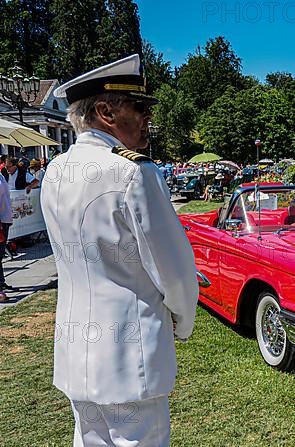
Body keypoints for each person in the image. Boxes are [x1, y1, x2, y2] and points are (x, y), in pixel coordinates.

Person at [41, 54, 199, 446]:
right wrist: (184, 319)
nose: (148, 118)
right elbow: (175, 272)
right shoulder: (133, 171)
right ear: (105, 112)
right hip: (131, 357)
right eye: (140, 107)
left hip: (77, 352)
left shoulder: (56, 169)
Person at [0, 172, 16, 294]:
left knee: (0, 254)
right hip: (1, 220)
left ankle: (1, 283)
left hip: (5, 219)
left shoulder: (1, 175)